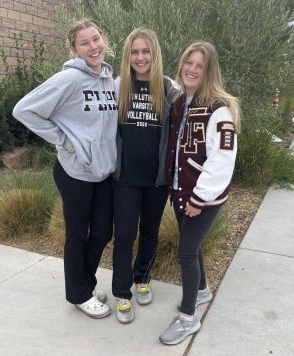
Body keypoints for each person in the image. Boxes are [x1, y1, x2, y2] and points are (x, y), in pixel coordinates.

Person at [12, 18, 117, 319]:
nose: (93, 46)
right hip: (75, 173)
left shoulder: (109, 79)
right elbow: (23, 110)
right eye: (85, 43)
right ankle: (79, 294)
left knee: (102, 233)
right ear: (74, 49)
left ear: (103, 40)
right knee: (78, 235)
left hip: (103, 172)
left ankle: (84, 283)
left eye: (96, 39)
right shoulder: (68, 79)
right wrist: (64, 140)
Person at [159, 41, 240, 344]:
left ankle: (187, 317)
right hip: (181, 191)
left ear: (210, 71)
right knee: (190, 247)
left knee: (186, 252)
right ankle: (202, 290)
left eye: (200, 65)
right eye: (188, 62)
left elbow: (222, 159)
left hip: (201, 198)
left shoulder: (220, 109)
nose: (191, 69)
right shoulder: (181, 101)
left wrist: (199, 198)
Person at [112, 28, 180, 324]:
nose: (140, 57)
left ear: (155, 54)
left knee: (150, 232)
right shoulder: (117, 87)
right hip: (125, 178)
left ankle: (142, 278)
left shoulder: (168, 89)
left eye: (145, 51)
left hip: (156, 180)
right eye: (134, 52)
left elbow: (194, 107)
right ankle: (122, 293)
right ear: (128, 56)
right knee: (124, 236)